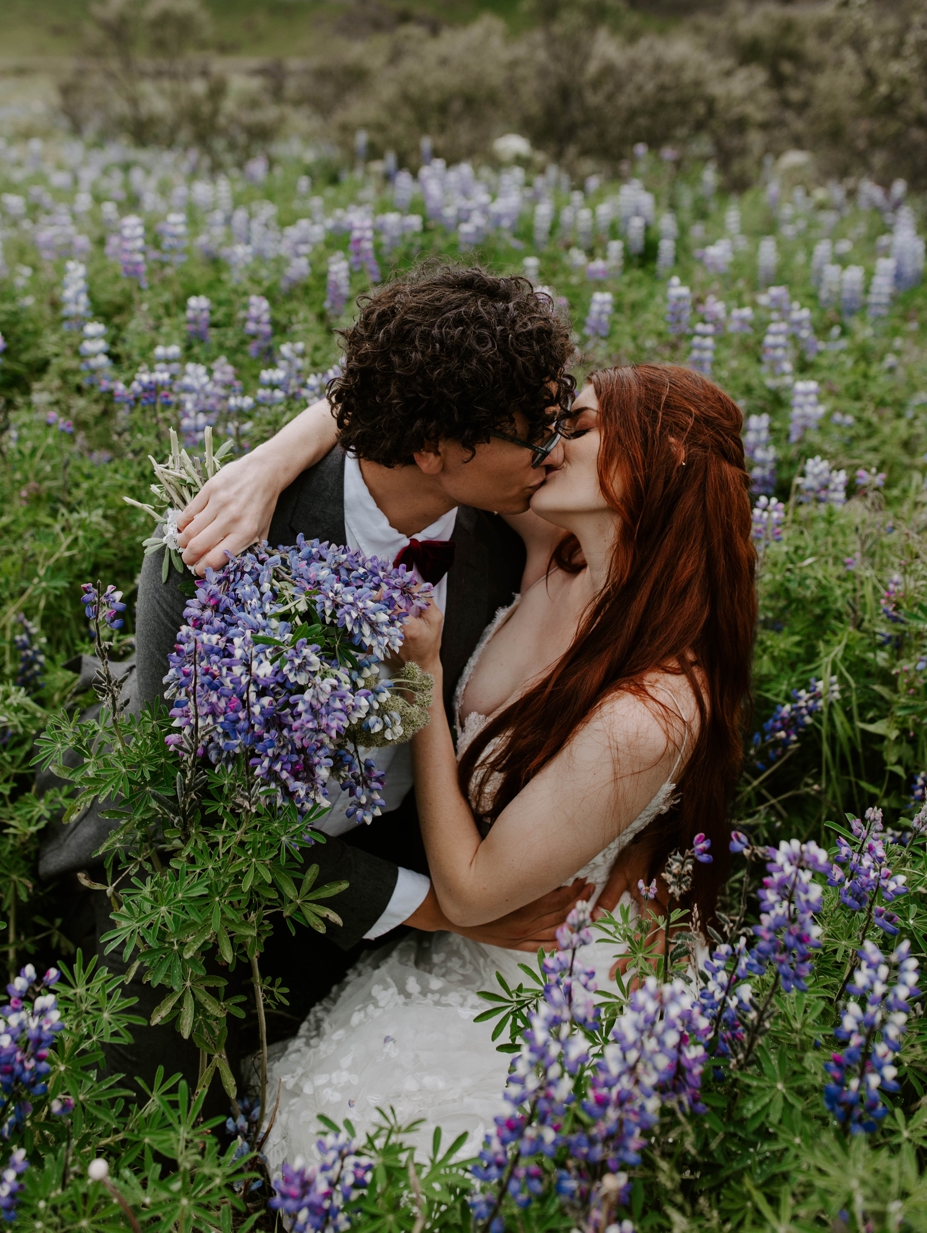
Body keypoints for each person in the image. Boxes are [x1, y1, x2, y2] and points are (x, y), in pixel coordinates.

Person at [36, 265, 631, 1106]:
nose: (555, 450)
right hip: (188, 865)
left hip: (391, 848)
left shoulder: (517, 517)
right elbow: (190, 802)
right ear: (434, 450)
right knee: (149, 1101)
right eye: (532, 435)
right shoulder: (217, 544)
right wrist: (436, 909)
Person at [256, 362, 754, 1167]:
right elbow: (422, 412)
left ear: (658, 460)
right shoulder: (559, 548)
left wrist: (423, 685)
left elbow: (468, 890)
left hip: (540, 979)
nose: (551, 445)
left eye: (582, 430)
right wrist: (272, 459)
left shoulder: (648, 712)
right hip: (471, 946)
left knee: (378, 1154)